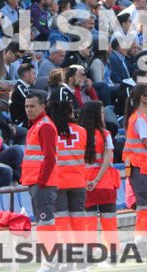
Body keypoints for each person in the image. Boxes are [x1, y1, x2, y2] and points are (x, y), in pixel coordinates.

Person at [20, 90, 59, 238]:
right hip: (38, 182)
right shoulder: (37, 125)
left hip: (42, 183)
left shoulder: (44, 126)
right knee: (43, 222)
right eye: (26, 106)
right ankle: (49, 257)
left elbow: (49, 157)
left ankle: (50, 257)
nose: (28, 109)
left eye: (32, 106)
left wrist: (41, 182)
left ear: (42, 107)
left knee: (45, 222)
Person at [80, 100, 119, 240]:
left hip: (85, 181)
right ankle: (112, 250)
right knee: (109, 219)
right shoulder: (105, 134)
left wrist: (89, 181)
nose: (104, 116)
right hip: (105, 181)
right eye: (102, 113)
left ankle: (89, 250)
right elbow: (108, 159)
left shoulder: (79, 134)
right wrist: (97, 180)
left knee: (88, 219)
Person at [123, 83, 147, 239]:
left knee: (146, 207)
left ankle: (141, 241)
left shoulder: (138, 117)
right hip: (139, 166)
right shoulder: (140, 119)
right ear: (143, 98)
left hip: (139, 166)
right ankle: (140, 241)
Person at [49, 99, 87, 235]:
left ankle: (65, 249)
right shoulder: (82, 131)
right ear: (70, 114)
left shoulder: (51, 132)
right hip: (78, 180)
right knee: (78, 217)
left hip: (58, 181)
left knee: (61, 218)